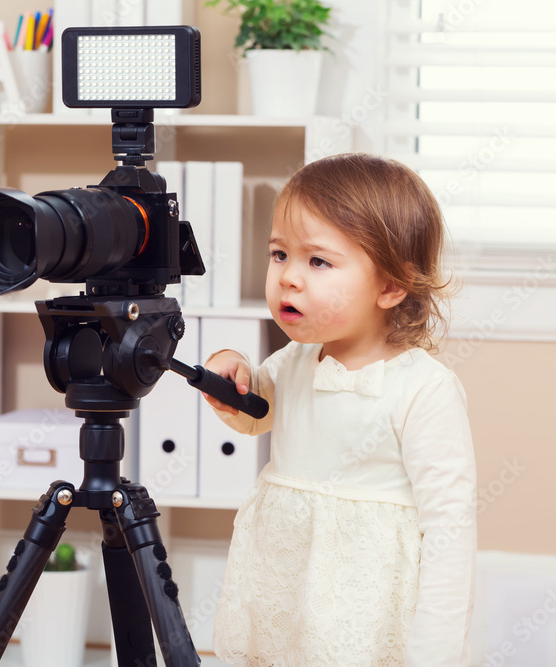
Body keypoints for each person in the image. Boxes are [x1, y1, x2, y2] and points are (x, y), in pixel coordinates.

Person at [203, 153, 476, 666]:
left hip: (362, 615)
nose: (288, 277)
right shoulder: (297, 358)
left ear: (391, 286)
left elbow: (450, 531)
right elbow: (255, 410)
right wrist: (233, 370)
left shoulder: (422, 388)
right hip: (287, 587)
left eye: (318, 261)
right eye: (279, 254)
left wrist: (434, 653)